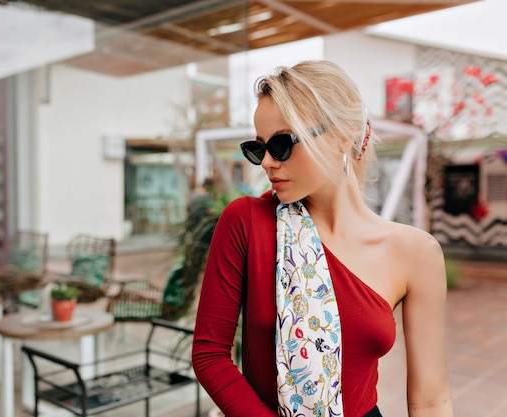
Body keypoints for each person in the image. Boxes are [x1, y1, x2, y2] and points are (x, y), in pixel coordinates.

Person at [192, 60, 452, 417]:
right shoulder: (247, 222)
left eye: (282, 144)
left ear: (343, 135)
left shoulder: (415, 253)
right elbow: (210, 355)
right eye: (258, 148)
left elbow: (431, 399)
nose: (267, 162)